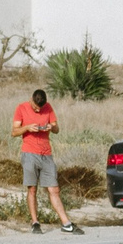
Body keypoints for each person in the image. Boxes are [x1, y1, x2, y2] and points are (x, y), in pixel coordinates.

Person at [12, 89, 81, 235]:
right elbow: (14, 132)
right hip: (29, 153)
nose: (38, 110)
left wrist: (51, 127)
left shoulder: (48, 107)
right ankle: (35, 222)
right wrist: (27, 128)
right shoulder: (21, 108)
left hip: (46, 154)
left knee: (54, 189)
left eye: (40, 108)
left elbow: (56, 129)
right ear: (31, 99)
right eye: (36, 108)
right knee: (32, 189)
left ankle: (66, 223)